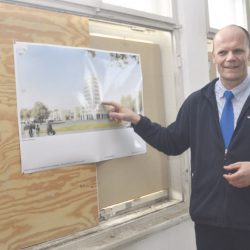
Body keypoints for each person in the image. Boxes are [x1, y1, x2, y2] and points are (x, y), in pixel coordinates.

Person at [103, 25, 250, 250]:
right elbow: (172, 142)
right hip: (209, 223)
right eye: (223, 52)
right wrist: (136, 120)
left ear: (248, 53)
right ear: (214, 57)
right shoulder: (197, 102)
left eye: (238, 51)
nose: (230, 58)